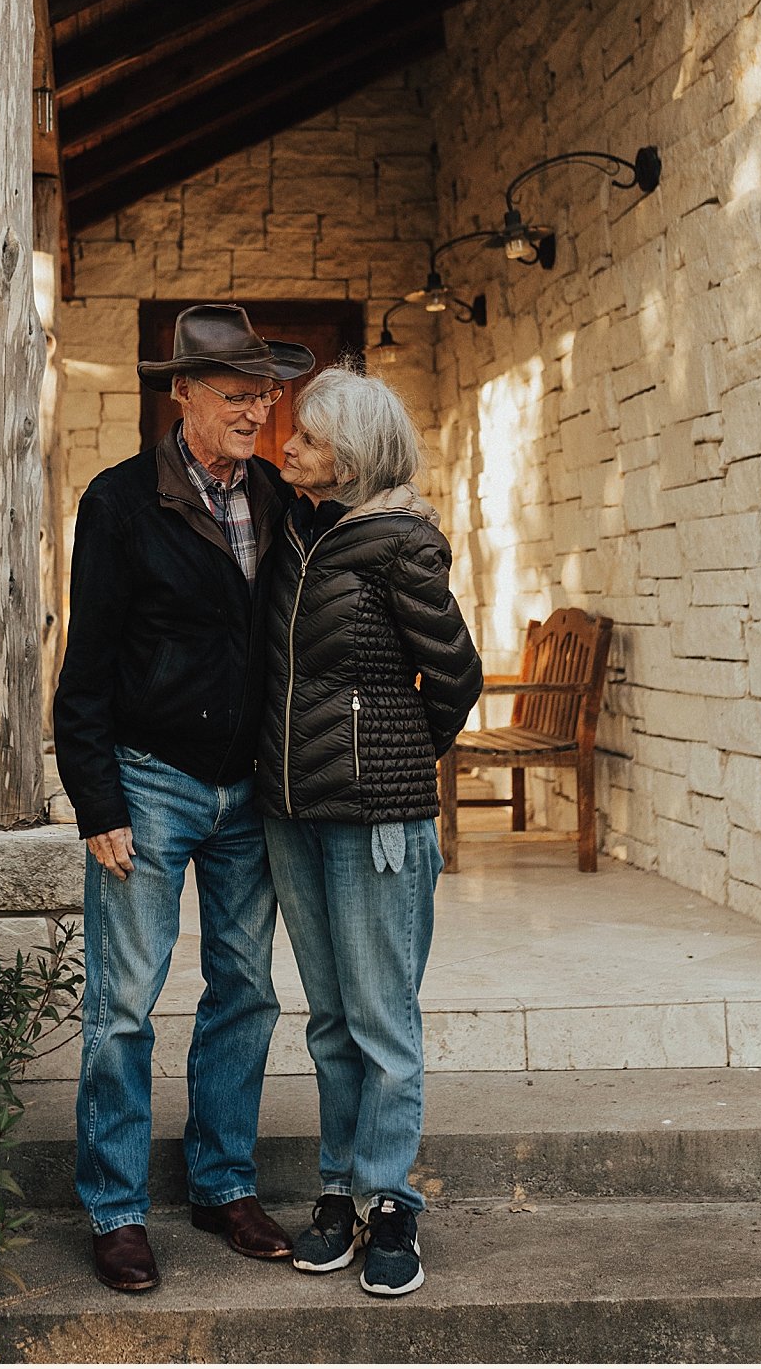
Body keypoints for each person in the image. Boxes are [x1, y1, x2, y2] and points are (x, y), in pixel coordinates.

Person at [53, 304, 315, 1294]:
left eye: (267, 391)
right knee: (124, 1003)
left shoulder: (282, 498)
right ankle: (117, 1209)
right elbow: (86, 670)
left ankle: (222, 1184)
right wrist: (97, 800)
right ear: (185, 395)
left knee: (246, 992)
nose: (259, 408)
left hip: (251, 791)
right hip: (150, 783)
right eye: (240, 392)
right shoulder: (119, 503)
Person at [255, 363, 482, 1298]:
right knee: (332, 1022)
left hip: (376, 823)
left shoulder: (398, 547)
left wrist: (390, 758)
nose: (287, 448)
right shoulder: (302, 534)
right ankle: (340, 1192)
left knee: (383, 1021)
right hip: (292, 815)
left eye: (305, 438)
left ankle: (392, 1206)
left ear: (346, 456)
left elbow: (456, 678)